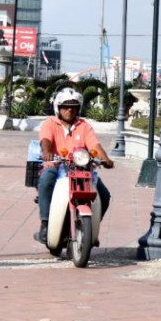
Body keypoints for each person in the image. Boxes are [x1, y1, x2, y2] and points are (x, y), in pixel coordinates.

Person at [34, 87, 114, 244]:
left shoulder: (84, 126)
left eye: (73, 107)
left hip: (81, 168)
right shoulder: (49, 123)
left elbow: (94, 146)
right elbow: (45, 140)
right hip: (57, 166)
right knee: (45, 180)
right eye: (65, 106)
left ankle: (91, 226)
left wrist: (106, 159)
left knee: (104, 195)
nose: (69, 110)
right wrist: (47, 152)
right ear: (58, 107)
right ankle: (45, 224)